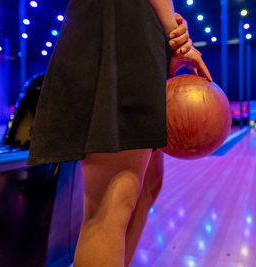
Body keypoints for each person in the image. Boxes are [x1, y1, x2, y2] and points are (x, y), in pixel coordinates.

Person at [26, 0, 212, 266]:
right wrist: (175, 36)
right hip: (121, 22)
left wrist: (166, 22)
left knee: (149, 184)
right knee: (107, 210)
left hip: (134, 23)